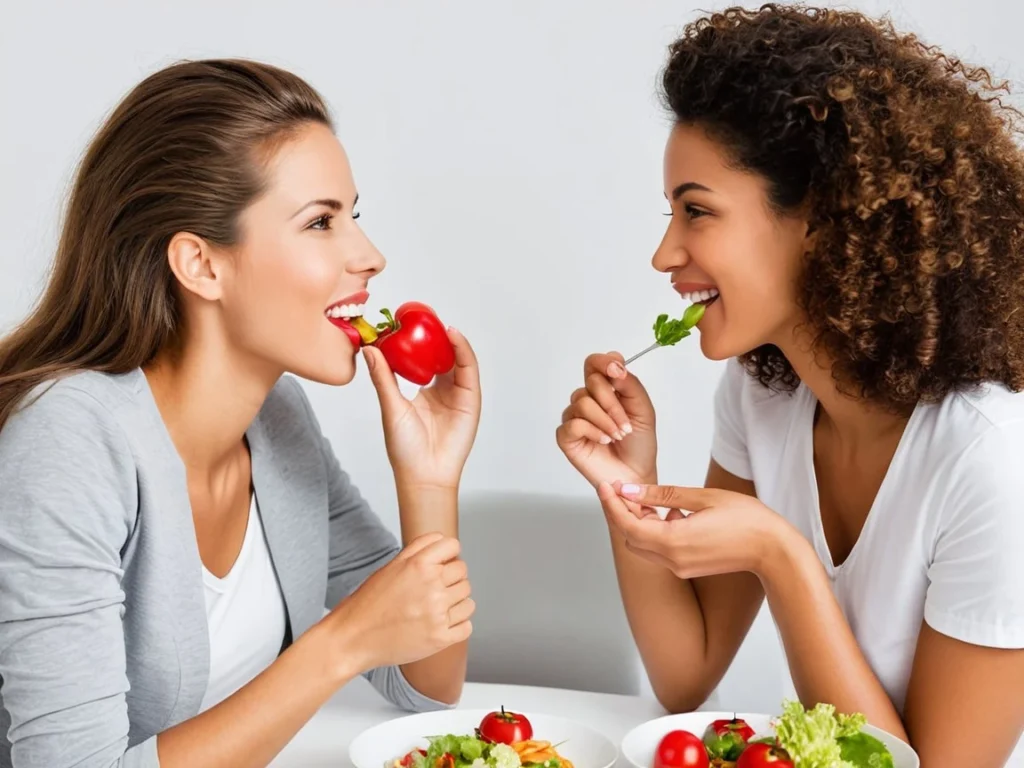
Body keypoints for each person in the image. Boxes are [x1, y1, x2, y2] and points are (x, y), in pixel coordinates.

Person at [557, 5, 1024, 765]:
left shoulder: (994, 461)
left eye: (696, 211)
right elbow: (686, 674)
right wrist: (629, 484)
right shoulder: (763, 398)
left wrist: (782, 556)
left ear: (823, 219)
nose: (664, 253)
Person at [0, 59, 481, 768]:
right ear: (201, 265)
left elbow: (425, 683)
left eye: (354, 215)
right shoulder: (69, 437)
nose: (369, 256)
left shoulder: (277, 418)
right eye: (321, 222)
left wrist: (431, 482)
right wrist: (341, 642)